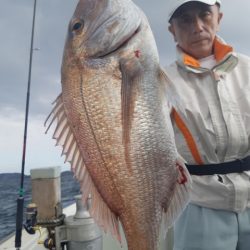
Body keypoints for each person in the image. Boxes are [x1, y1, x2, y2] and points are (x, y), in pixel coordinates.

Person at [165, 0, 250, 249]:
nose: (198, 27)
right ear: (172, 30)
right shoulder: (160, 81)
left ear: (219, 18)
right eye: (186, 20)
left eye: (204, 15)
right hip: (199, 204)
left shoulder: (248, 67)